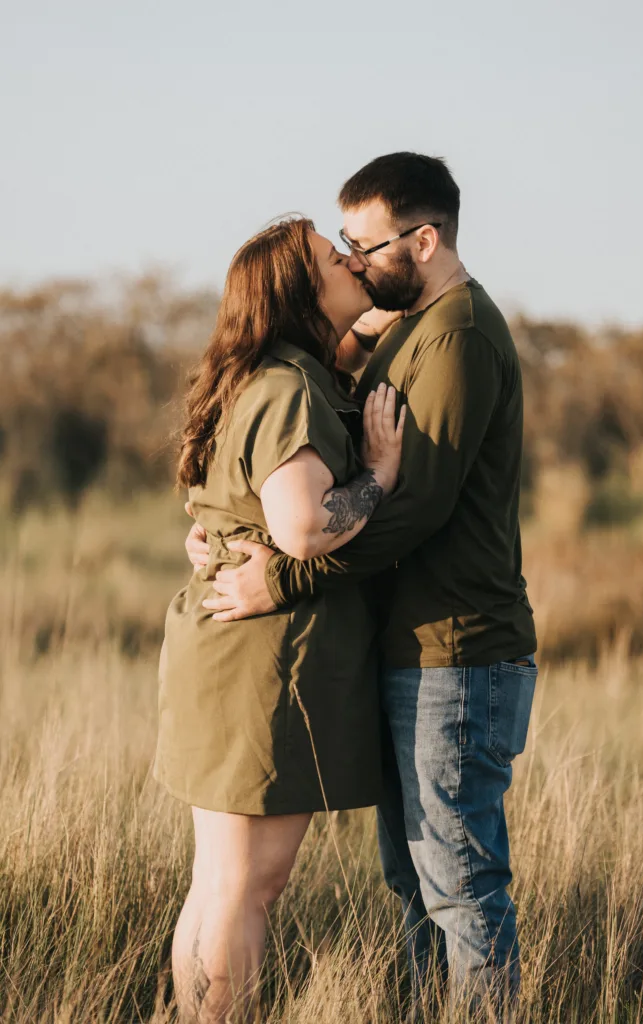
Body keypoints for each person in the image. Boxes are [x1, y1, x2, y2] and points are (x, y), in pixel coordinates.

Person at [186, 153, 538, 1019]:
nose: (351, 257)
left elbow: (414, 505)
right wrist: (229, 532)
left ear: (423, 241)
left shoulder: (454, 334)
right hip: (407, 647)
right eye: (337, 246)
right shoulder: (397, 331)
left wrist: (285, 578)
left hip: (455, 649)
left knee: (455, 884)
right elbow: (284, 449)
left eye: (361, 242)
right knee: (414, 883)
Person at [155, 215, 405, 1023]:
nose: (355, 263)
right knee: (248, 886)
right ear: (301, 291)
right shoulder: (288, 384)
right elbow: (303, 527)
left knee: (224, 881)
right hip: (260, 655)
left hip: (228, 644)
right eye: (338, 259)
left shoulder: (271, 373)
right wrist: (381, 476)